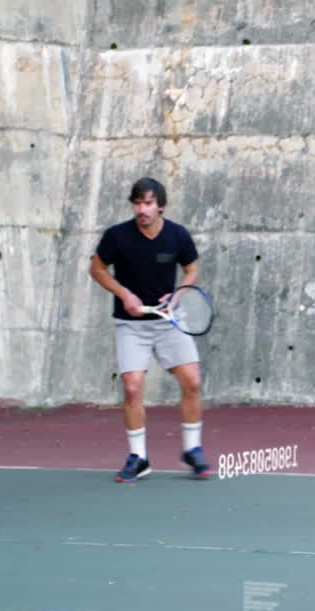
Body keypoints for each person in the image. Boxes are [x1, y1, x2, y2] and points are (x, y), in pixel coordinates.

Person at [89, 178, 212, 483]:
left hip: (169, 321)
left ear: (161, 206)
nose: (141, 209)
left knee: (192, 382)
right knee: (131, 387)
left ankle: (192, 451)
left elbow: (192, 269)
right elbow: (97, 268)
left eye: (147, 204)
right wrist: (124, 294)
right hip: (131, 325)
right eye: (137, 203)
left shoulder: (177, 235)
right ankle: (138, 458)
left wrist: (177, 294)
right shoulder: (116, 236)